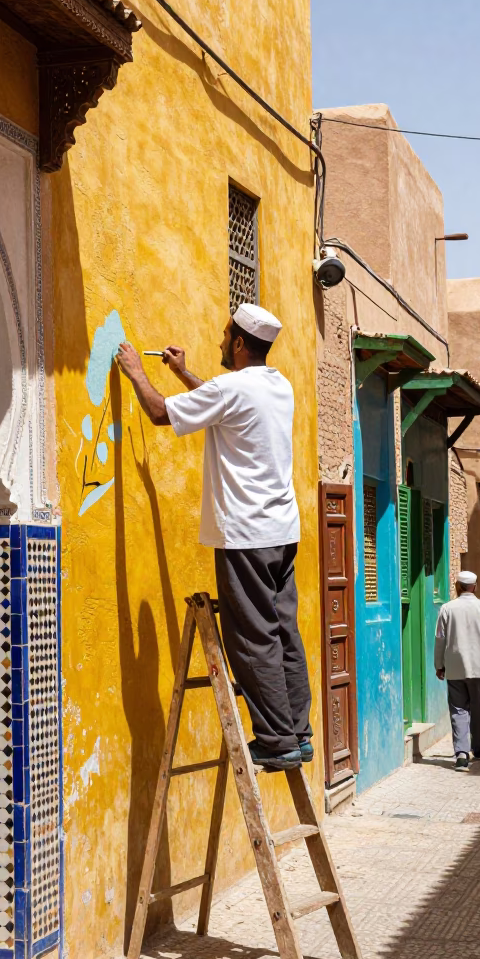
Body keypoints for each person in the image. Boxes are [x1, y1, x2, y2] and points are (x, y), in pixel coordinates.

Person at [116, 303, 310, 771]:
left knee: (251, 638)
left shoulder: (233, 387)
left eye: (226, 336)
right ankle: (298, 735)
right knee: (284, 633)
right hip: (282, 533)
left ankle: (276, 740)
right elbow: (221, 403)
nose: (221, 342)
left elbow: (162, 414)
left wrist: (136, 373)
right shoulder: (275, 385)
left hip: (245, 535)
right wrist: (184, 374)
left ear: (240, 344)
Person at [434, 569, 480, 771]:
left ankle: (461, 754)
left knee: (458, 710)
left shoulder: (447, 609)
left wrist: (439, 664)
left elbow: (440, 639)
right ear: (474, 586)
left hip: (455, 669)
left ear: (457, 586)